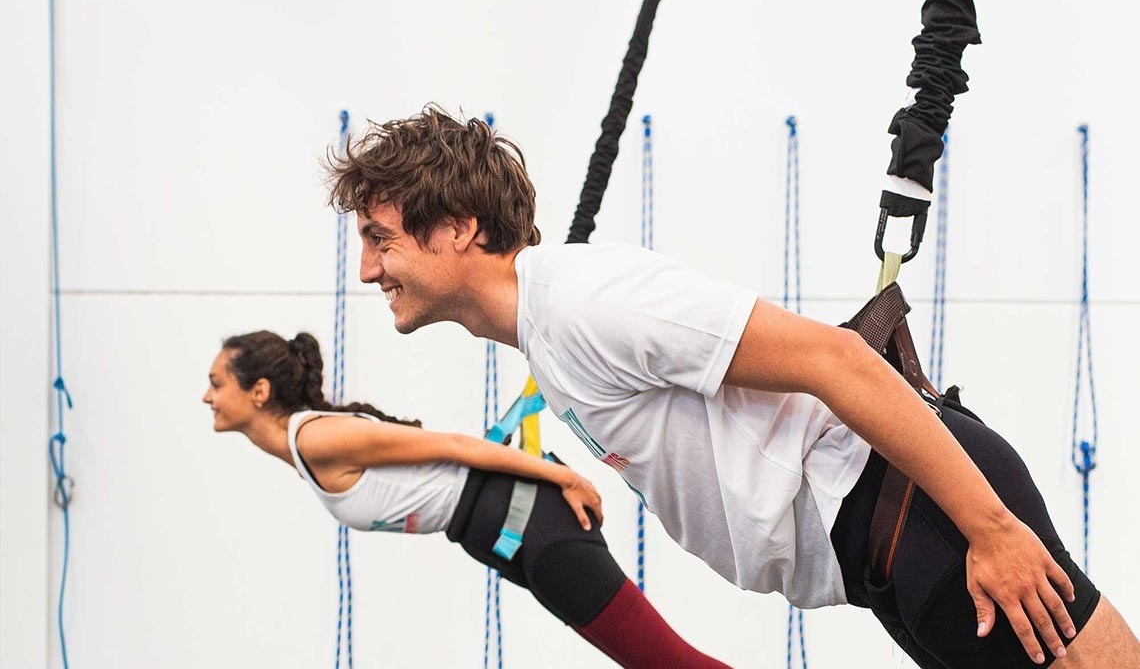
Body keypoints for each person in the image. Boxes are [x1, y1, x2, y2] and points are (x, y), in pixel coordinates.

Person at [324, 107, 1140, 668]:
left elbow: (839, 361)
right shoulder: (548, 328)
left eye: (380, 238)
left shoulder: (581, 301)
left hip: (924, 516)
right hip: (887, 552)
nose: (367, 268)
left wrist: (991, 531)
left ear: (458, 228)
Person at [203, 330, 730, 669]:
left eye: (216, 383)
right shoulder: (306, 448)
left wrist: (561, 476)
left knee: (670, 665)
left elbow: (455, 446)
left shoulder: (317, 439)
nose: (207, 396)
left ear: (260, 391)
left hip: (534, 523)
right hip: (511, 540)